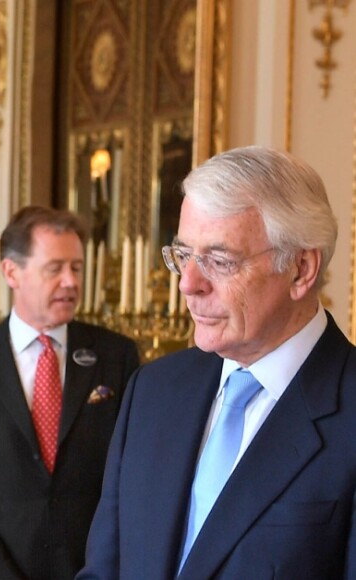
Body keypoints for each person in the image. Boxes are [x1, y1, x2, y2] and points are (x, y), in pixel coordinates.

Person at [77, 145, 356, 579]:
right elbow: (103, 571)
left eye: (220, 261)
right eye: (184, 255)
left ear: (301, 269)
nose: (188, 284)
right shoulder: (153, 390)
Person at [0, 205, 140, 580]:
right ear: (12, 272)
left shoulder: (116, 356)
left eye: (76, 268)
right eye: (55, 268)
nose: (70, 281)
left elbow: (132, 482)